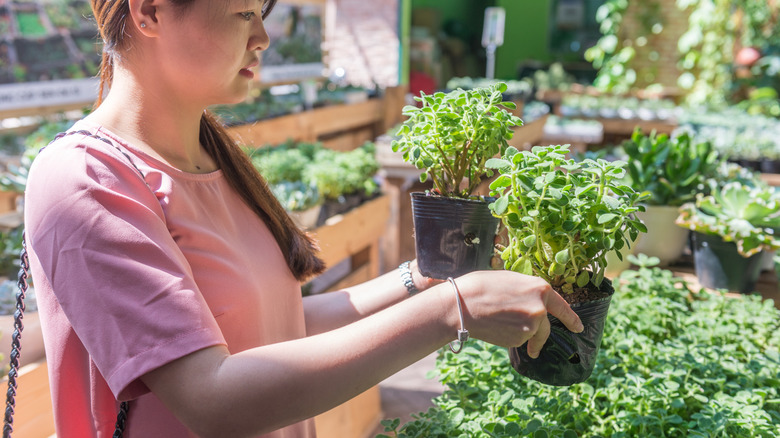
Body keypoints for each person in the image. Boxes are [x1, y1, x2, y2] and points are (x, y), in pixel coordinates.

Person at [23, 0, 584, 436]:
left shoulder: (211, 160)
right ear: (148, 12)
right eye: (244, 13)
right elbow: (210, 399)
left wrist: (423, 280)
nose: (262, 36)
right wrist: (451, 311)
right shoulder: (86, 179)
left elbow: (274, 325)